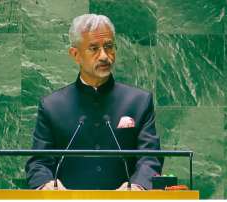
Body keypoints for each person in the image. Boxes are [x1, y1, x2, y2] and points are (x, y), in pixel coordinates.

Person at [25, 14, 162, 190]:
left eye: (109, 46)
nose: (104, 56)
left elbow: (150, 158)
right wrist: (46, 185)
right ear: (75, 54)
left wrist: (137, 187)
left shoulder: (139, 102)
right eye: (94, 48)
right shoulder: (52, 106)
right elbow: (39, 163)